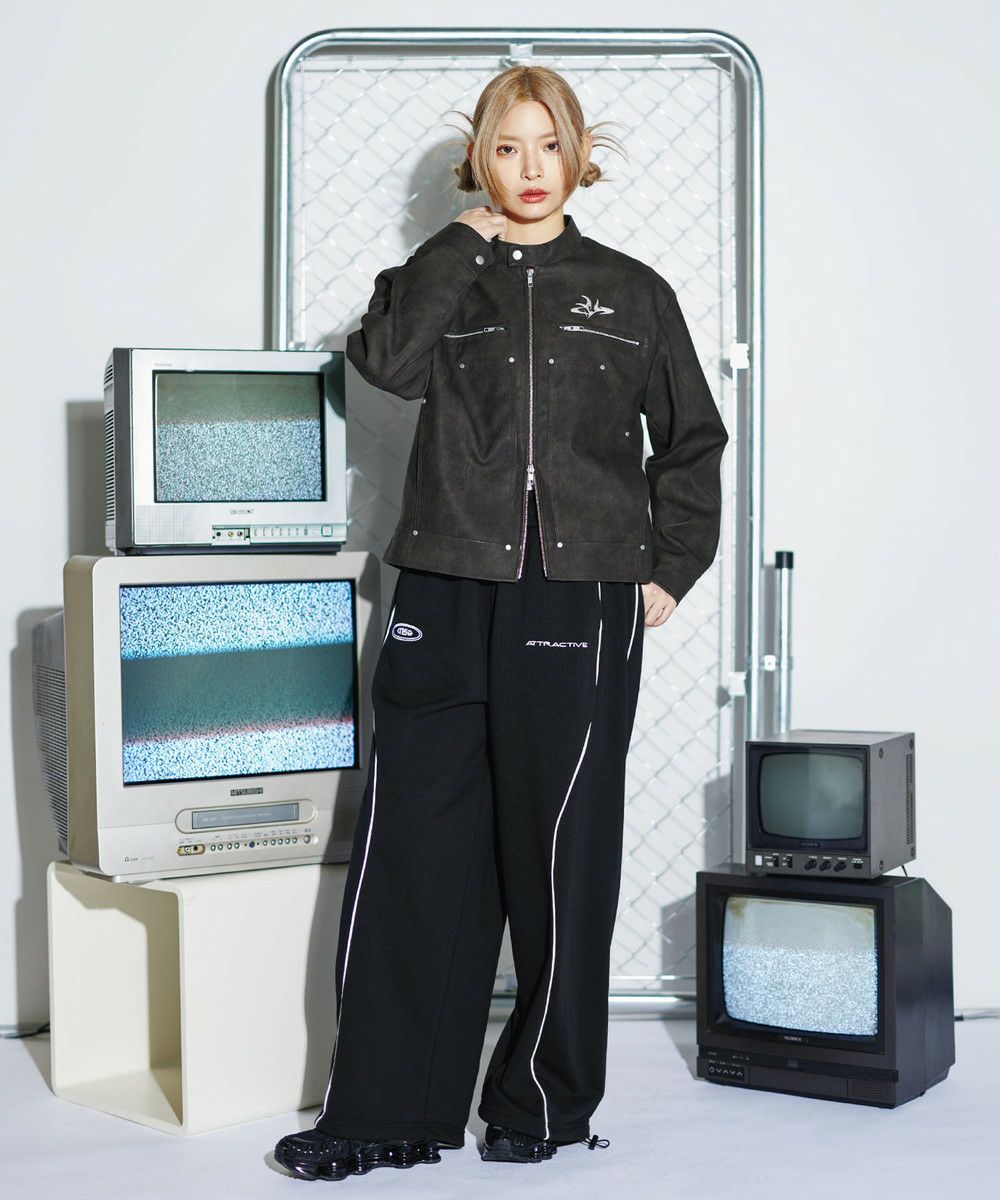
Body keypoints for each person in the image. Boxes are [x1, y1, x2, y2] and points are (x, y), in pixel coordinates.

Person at [274, 64, 728, 1182]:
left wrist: (671, 566)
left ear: (580, 154)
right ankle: (382, 1111)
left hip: (579, 595)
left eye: (548, 145)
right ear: (478, 159)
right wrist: (457, 244)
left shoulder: (630, 292)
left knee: (559, 853)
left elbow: (691, 440)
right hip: (442, 584)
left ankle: (540, 1105)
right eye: (507, 148)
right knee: (411, 851)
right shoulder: (438, 276)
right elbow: (383, 367)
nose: (530, 169)